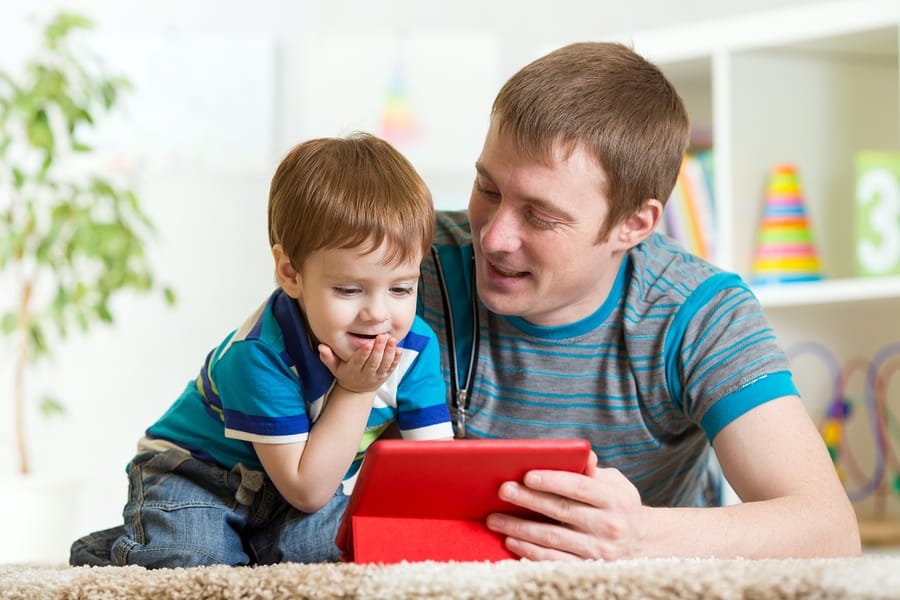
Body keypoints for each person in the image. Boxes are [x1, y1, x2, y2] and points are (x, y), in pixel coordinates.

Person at [416, 41, 861, 560]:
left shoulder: (699, 315)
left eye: (540, 215)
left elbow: (829, 529)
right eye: (488, 188)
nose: (493, 238)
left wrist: (641, 535)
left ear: (633, 225)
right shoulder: (402, 267)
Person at [70, 132, 454, 567]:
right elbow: (306, 489)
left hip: (292, 490)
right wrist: (357, 389)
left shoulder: (416, 345)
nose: (378, 313)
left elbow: (434, 469)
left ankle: (248, 546)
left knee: (341, 550)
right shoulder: (256, 356)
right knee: (194, 560)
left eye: (401, 288)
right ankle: (120, 546)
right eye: (349, 290)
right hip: (200, 476)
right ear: (290, 274)